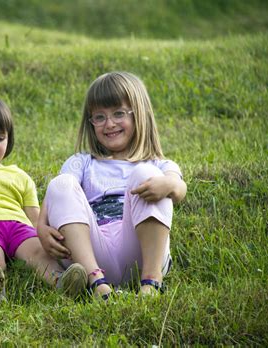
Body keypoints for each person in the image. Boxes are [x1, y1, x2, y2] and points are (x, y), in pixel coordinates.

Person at [37, 71, 187, 298]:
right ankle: (97, 284)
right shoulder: (82, 163)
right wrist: (41, 227)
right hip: (92, 254)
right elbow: (54, 199)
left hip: (139, 252)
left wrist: (168, 185)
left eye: (119, 113)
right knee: (61, 182)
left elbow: (179, 188)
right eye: (99, 117)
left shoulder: (157, 163)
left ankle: (151, 283)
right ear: (91, 122)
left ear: (139, 115)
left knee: (147, 173)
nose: (109, 124)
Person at [0, 94, 87, 301]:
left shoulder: (19, 176)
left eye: (0, 138)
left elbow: (34, 218)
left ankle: (61, 281)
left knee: (39, 254)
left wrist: (44, 234)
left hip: (17, 227)